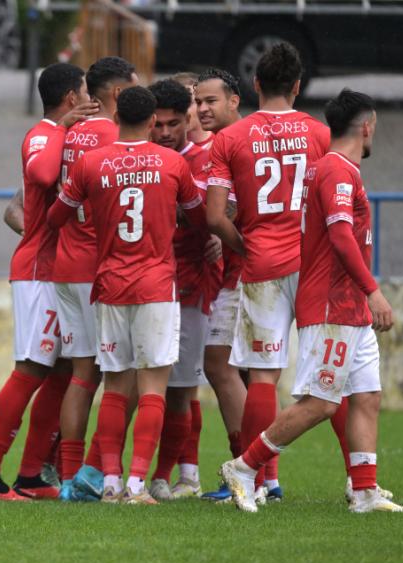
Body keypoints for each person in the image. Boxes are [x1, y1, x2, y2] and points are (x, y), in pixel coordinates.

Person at [218, 89, 403, 514]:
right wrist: (372, 291)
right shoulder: (336, 172)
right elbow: (342, 236)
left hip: (348, 309)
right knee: (322, 403)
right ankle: (245, 468)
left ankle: (364, 491)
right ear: (367, 126)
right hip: (332, 304)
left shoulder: (338, 169)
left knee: (366, 395)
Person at [48, 86, 202, 504]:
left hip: (111, 283)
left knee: (115, 384)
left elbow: (56, 215)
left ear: (116, 119)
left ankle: (111, 482)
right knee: (153, 386)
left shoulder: (91, 163)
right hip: (156, 284)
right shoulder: (172, 163)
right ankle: (138, 483)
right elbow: (197, 215)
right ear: (153, 121)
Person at [204, 42, 331, 502]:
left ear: (255, 85)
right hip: (313, 266)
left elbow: (215, 216)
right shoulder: (319, 134)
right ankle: (362, 483)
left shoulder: (231, 139)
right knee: (338, 376)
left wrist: (245, 243)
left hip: (261, 266)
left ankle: (257, 479)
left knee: (261, 375)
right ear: (298, 86)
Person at [0, 63, 98, 501]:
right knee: (31, 369)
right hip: (39, 270)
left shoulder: (64, 134)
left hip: (58, 270)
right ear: (69, 99)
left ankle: (30, 476)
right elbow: (41, 176)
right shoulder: (44, 133)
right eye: (83, 93)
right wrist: (62, 127)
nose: (88, 100)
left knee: (62, 371)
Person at [51, 56, 138, 502]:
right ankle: (98, 471)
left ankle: (70, 478)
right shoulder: (111, 134)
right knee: (125, 377)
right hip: (94, 267)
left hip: (65, 262)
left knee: (82, 374)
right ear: (119, 95)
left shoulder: (71, 132)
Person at [144, 78, 222, 502]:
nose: (166, 132)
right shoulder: (138, 159)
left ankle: (173, 476)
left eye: (174, 123)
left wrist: (221, 231)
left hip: (190, 285)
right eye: (158, 124)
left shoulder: (206, 157)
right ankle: (163, 475)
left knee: (181, 386)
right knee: (150, 386)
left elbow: (231, 203)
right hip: (142, 286)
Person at [188, 68, 247, 502]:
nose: (204, 109)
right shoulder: (229, 143)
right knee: (241, 371)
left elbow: (220, 214)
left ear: (235, 100)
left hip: (248, 273)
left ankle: (249, 471)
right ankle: (259, 475)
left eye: (211, 101)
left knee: (221, 366)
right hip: (248, 271)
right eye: (199, 102)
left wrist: (233, 241)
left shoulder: (233, 143)